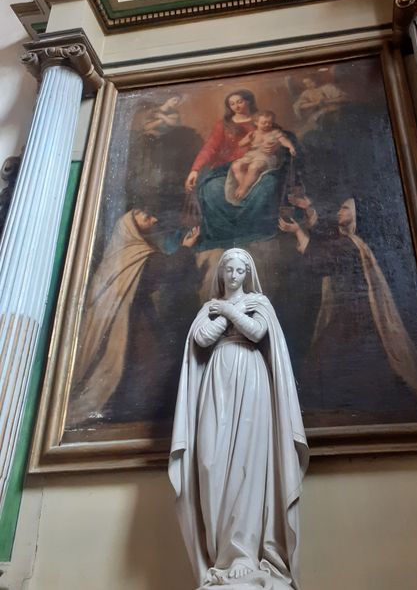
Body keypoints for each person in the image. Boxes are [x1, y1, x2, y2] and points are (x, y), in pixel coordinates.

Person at [169, 248, 308, 589]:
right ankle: (220, 557)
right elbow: (201, 338)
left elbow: (258, 333)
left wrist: (228, 310)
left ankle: (244, 554)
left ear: (248, 273)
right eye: (228, 270)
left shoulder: (258, 302)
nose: (233, 276)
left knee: (247, 465)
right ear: (221, 273)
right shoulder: (208, 310)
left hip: (251, 380)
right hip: (216, 380)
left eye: (239, 270)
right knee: (210, 463)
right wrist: (226, 313)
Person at [279, 198, 417, 420]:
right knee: (336, 364)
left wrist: (298, 232)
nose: (339, 211)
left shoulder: (350, 244)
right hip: (351, 314)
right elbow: (326, 238)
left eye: (344, 208)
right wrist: (307, 210)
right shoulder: (350, 241)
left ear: (355, 215)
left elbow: (320, 261)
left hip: (353, 315)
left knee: (322, 363)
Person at [68, 209, 200, 424]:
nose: (155, 218)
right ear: (130, 225)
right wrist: (185, 250)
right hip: (129, 327)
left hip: (136, 319)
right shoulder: (131, 255)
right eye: (147, 216)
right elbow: (165, 269)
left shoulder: (118, 257)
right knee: (148, 367)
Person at [183, 90, 291, 249]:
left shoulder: (263, 120)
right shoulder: (224, 124)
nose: (236, 106)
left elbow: (283, 138)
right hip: (228, 168)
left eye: (240, 101)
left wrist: (277, 146)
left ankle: (255, 233)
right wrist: (195, 169)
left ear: (249, 101)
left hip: (261, 165)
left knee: (269, 183)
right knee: (212, 188)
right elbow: (209, 148)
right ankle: (223, 236)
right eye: (232, 104)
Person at [226, 110, 297, 203]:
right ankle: (245, 188)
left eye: (270, 123)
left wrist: (291, 147)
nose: (267, 125)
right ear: (256, 123)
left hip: (266, 157)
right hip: (251, 155)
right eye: (264, 123)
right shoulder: (253, 133)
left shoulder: (275, 132)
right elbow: (240, 144)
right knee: (236, 166)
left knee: (254, 166)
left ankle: (243, 189)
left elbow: (284, 140)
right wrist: (247, 140)